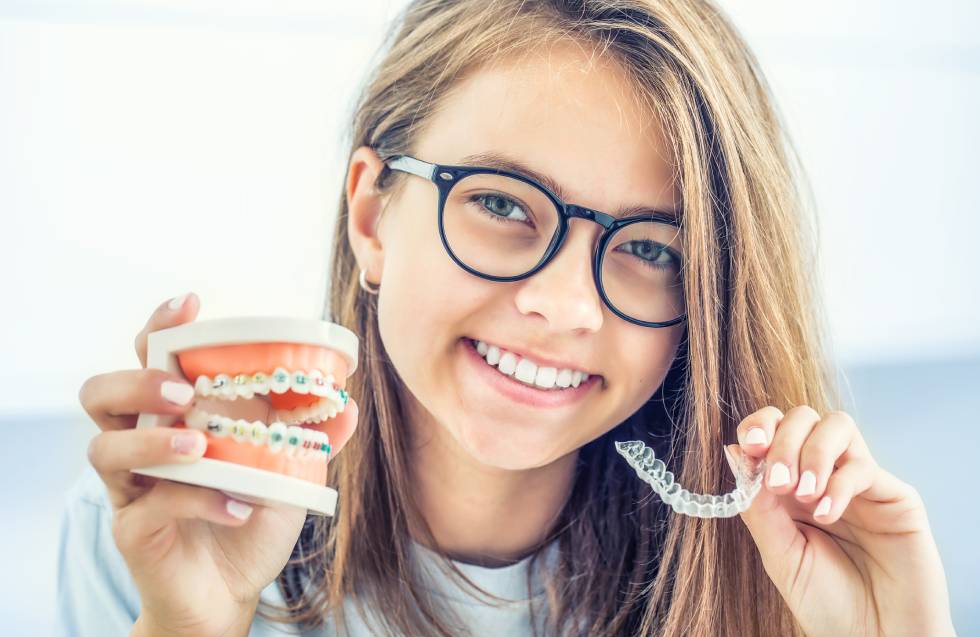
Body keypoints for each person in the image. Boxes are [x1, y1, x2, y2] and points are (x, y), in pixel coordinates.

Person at [60, 0, 957, 635]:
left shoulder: (771, 576)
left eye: (651, 249)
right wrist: (189, 628)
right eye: (501, 203)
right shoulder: (161, 531)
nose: (563, 306)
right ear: (373, 218)